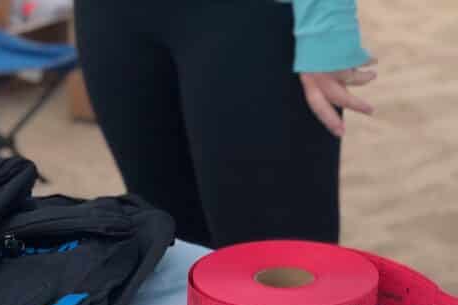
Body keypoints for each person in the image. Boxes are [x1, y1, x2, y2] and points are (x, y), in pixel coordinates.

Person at [74, 0, 377, 247]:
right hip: (111, 17)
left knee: (276, 261)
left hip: (249, 17)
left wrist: (327, 20)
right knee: (169, 244)